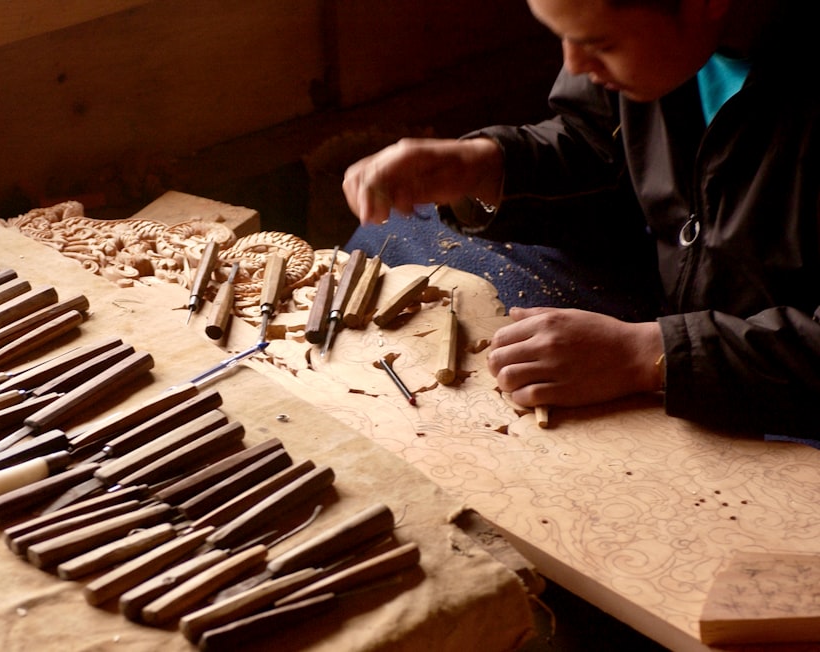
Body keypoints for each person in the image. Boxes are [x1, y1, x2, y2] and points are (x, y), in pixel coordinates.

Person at [341, 0, 820, 439]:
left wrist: (645, 356)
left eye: (599, 44)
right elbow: (596, 141)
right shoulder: (657, 37)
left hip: (777, 359)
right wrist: (484, 168)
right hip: (675, 292)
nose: (573, 66)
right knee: (395, 230)